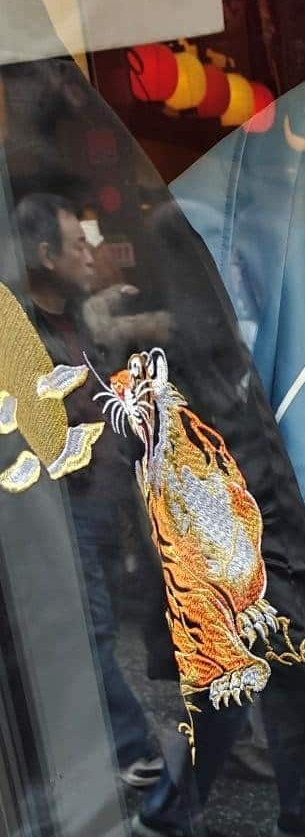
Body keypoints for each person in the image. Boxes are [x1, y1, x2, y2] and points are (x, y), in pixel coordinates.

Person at [14, 192, 163, 789]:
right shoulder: (18, 331)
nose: (88, 253)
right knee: (90, 628)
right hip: (64, 506)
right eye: (77, 244)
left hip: (105, 497)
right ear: (46, 254)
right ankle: (134, 749)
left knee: (100, 624)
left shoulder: (79, 319)